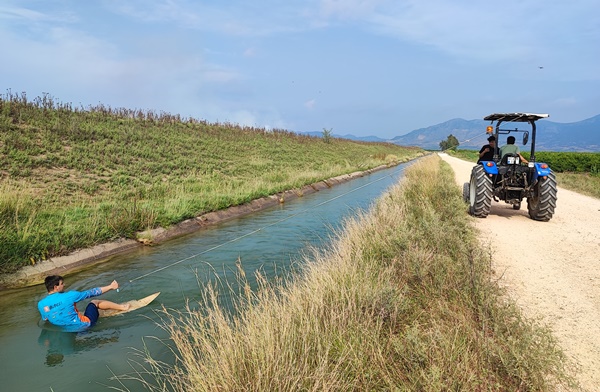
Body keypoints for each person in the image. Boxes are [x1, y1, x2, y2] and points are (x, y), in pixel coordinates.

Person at [38, 275, 129, 331]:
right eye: (62, 283)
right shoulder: (70, 295)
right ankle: (122, 307)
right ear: (55, 287)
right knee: (94, 302)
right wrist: (111, 286)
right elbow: (92, 292)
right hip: (84, 325)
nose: (64, 285)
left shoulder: (41, 304)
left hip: (66, 329)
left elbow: (46, 319)